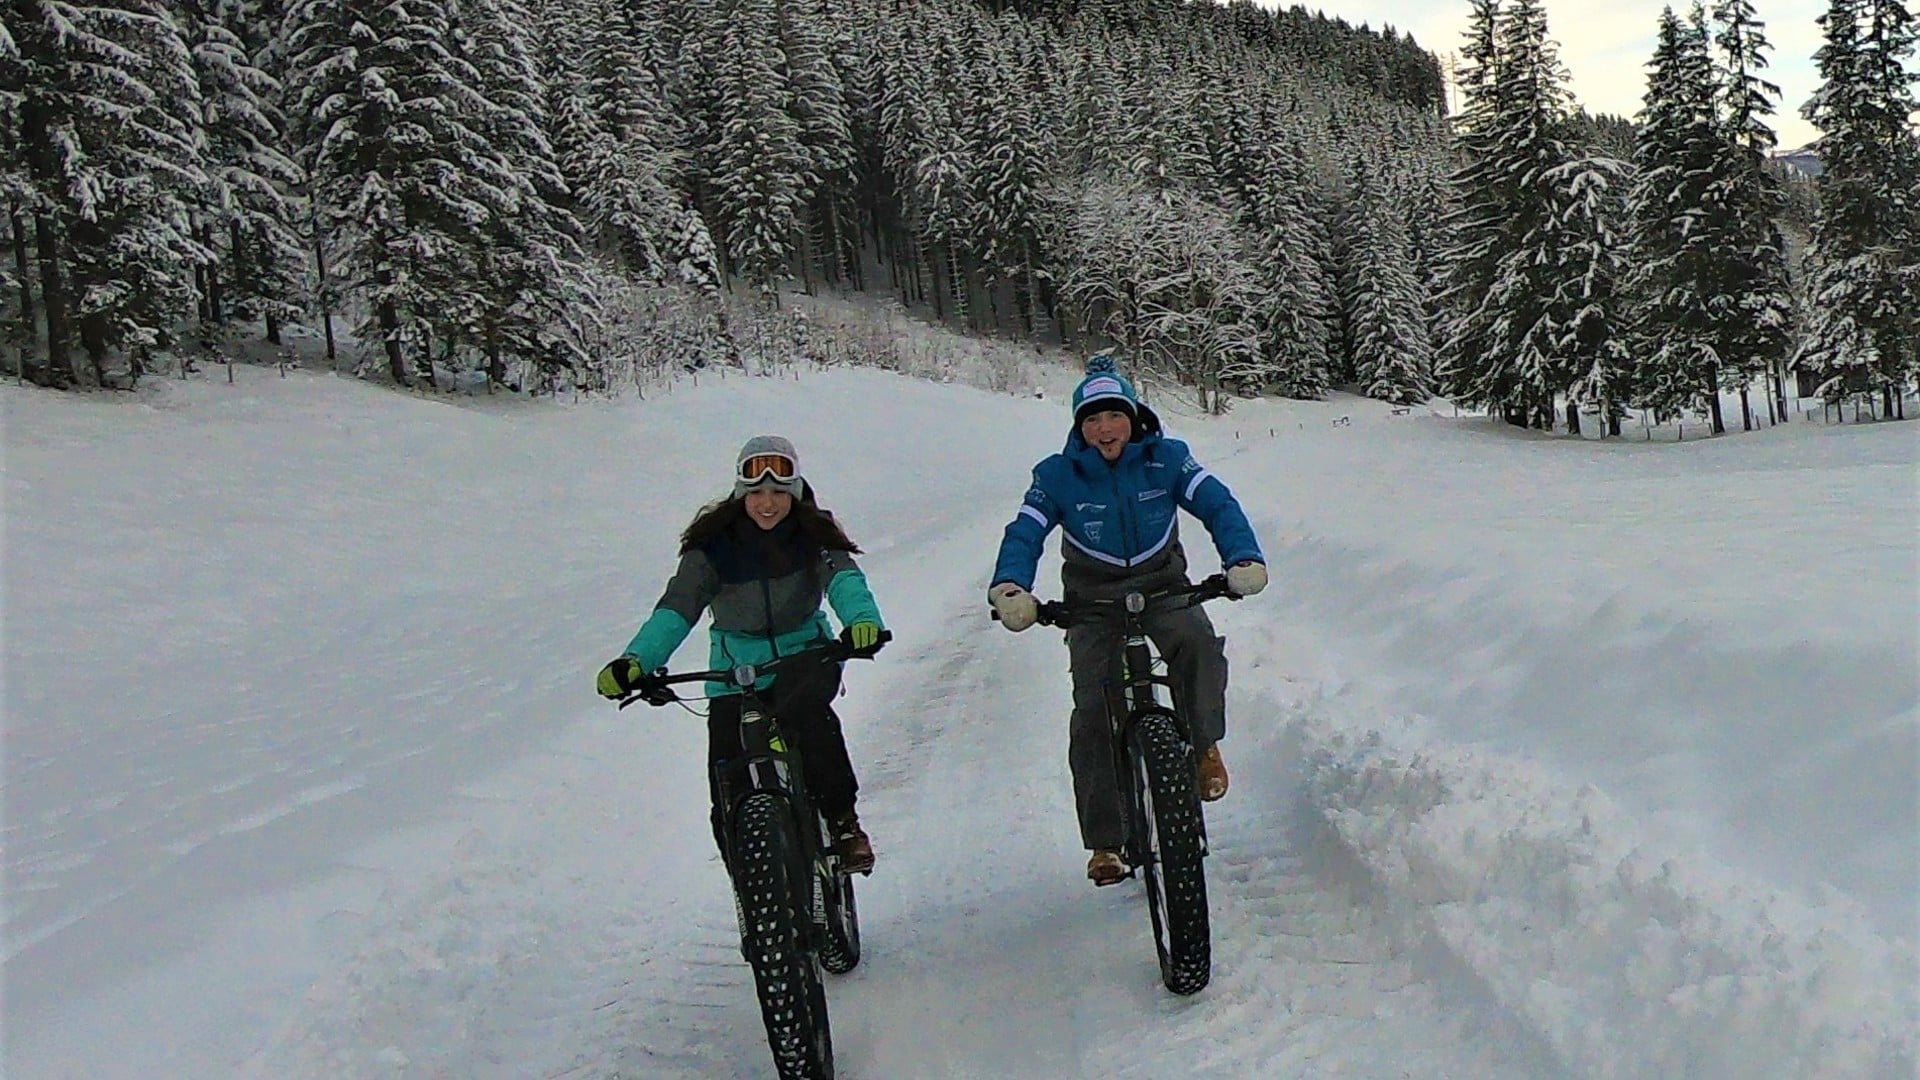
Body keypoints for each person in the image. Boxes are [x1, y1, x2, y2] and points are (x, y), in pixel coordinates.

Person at [988, 355, 1267, 887]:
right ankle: (1106, 841)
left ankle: (1205, 747)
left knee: (1198, 645)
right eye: (1091, 419)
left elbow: (1217, 503)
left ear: (1134, 417)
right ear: (1079, 427)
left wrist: (1242, 558)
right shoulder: (1056, 475)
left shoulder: (1168, 460)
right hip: (1092, 602)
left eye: (1113, 415)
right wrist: (1010, 586)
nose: (1104, 428)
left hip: (1164, 587)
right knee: (1092, 706)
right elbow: (1024, 530)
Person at [597, 435, 886, 874]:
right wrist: (637, 660)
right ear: (740, 494)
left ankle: (844, 824)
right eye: (755, 493)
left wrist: (861, 621)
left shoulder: (814, 533)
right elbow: (677, 608)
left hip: (806, 657)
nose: (767, 504)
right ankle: (751, 884)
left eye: (778, 493)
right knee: (726, 776)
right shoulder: (713, 544)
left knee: (811, 722)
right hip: (734, 672)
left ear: (794, 492)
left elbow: (844, 580)